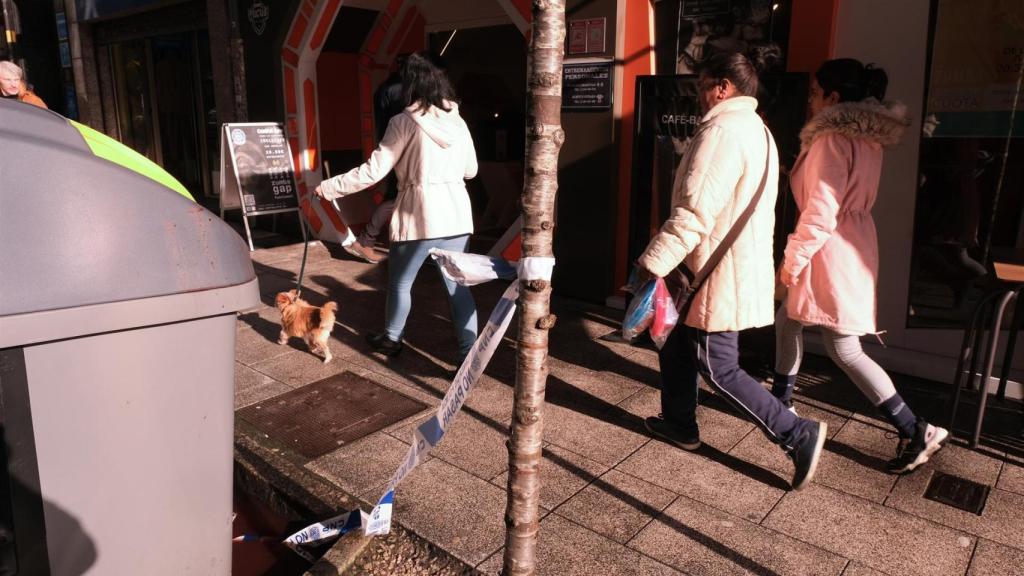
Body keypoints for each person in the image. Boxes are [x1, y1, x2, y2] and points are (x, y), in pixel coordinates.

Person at [638, 49, 828, 491]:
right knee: (674, 342)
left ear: (722, 87)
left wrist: (652, 263)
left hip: (715, 270)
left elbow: (695, 211)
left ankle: (796, 433)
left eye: (702, 85)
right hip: (723, 264)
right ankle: (679, 423)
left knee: (718, 365)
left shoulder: (722, 131)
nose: (699, 95)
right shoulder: (758, 129)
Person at [772, 58, 948, 474]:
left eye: (816, 92)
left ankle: (915, 428)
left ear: (833, 97)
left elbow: (821, 210)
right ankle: (780, 399)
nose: (810, 100)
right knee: (788, 321)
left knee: (844, 347)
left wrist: (791, 261)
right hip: (850, 243)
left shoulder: (832, 138)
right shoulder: (865, 138)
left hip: (829, 248)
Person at [314, 51, 478, 360]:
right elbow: (471, 170)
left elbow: (373, 171)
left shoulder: (402, 122)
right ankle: (470, 353)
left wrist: (328, 187)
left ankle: (391, 339)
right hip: (456, 215)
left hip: (419, 214)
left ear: (410, 83)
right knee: (458, 286)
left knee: (401, 282)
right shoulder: (459, 123)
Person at [345, 55, 409, 264]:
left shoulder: (384, 88)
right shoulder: (403, 90)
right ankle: (366, 240)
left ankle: (368, 240)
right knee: (397, 197)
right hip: (402, 149)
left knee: (396, 196)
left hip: (390, 146)